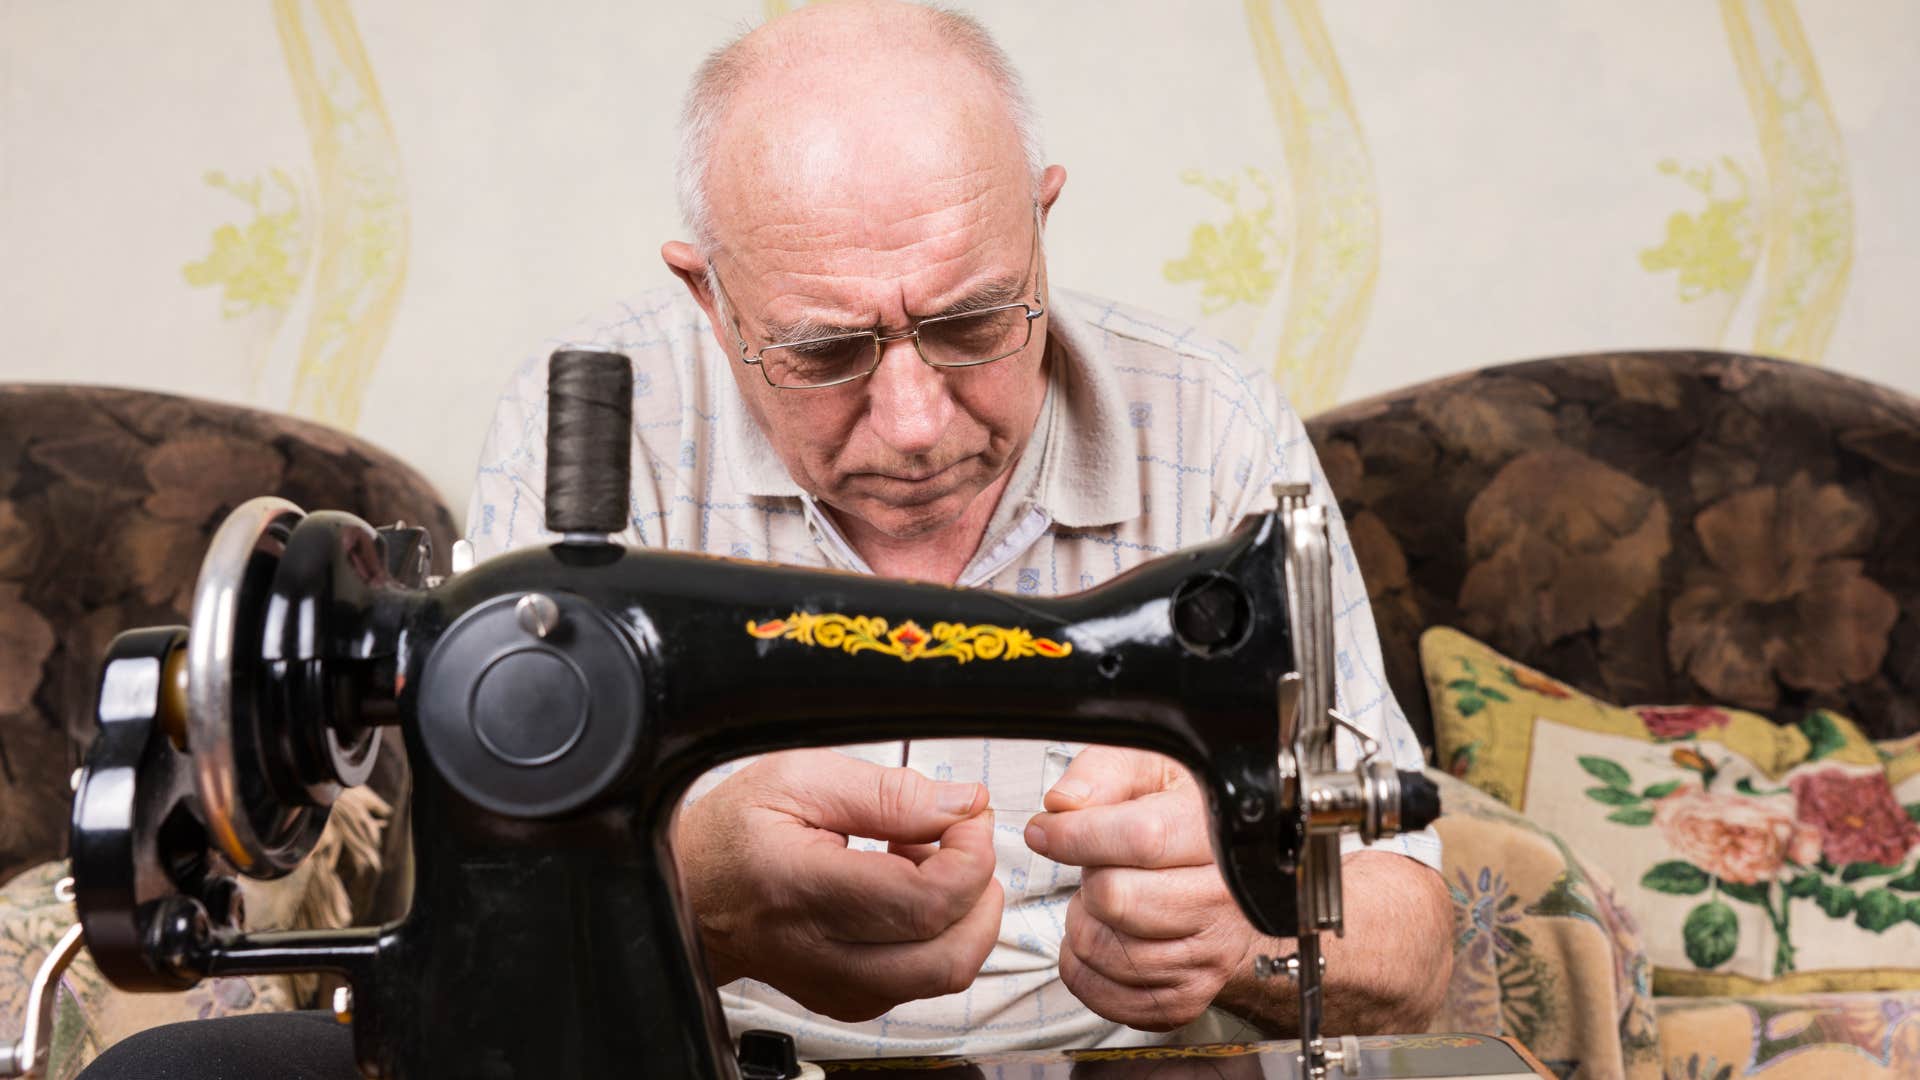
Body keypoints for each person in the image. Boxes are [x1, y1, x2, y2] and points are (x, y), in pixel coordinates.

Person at [83, 2, 1448, 1075]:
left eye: (975, 321)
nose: (914, 421)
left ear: (1041, 220)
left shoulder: (1203, 422)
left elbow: (1418, 930)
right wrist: (695, 892)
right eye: (823, 349)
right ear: (707, 294)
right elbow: (474, 911)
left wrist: (1255, 925)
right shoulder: (597, 443)